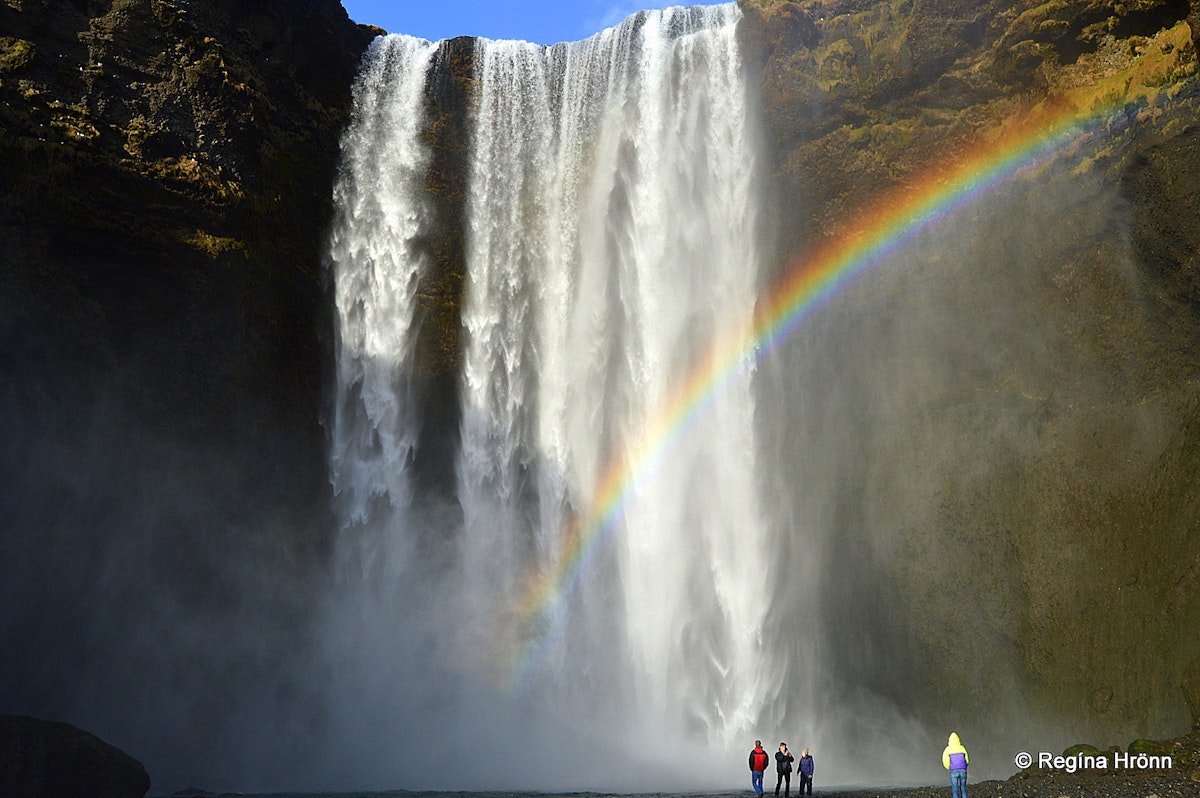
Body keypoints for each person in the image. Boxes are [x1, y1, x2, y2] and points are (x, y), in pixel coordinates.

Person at [942, 732, 970, 798]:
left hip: (954, 770)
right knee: (963, 788)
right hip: (963, 770)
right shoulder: (962, 748)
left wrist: (949, 767)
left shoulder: (948, 749)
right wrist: (965, 766)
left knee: (955, 789)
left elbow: (945, 760)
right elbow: (967, 759)